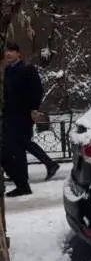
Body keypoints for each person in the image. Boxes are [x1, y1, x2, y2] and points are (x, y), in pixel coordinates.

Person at [2, 42, 44, 197]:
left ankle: (23, 184)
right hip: (9, 115)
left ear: (19, 53)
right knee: (14, 150)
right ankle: (22, 183)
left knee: (16, 149)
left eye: (11, 51)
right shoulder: (8, 70)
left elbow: (37, 90)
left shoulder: (27, 69)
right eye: (6, 51)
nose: (8, 54)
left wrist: (34, 109)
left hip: (23, 115)